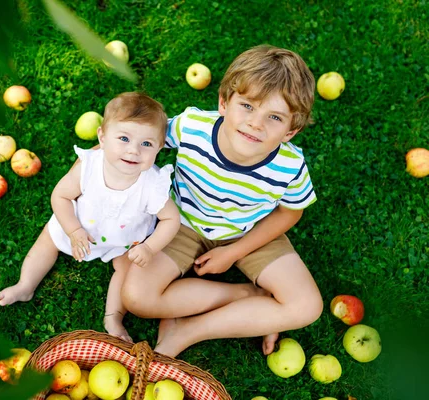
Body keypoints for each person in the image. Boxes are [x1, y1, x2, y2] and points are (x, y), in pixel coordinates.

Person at [119, 45, 324, 357]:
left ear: (290, 131)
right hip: (183, 222)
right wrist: (103, 158)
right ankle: (248, 296)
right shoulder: (193, 128)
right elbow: (148, 138)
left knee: (307, 306)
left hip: (248, 230)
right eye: (247, 106)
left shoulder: (289, 166)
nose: (256, 124)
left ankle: (189, 330)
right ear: (224, 103)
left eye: (274, 117)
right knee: (137, 298)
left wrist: (234, 252)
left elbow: (289, 212)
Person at [0, 92, 181, 342]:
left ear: (159, 148)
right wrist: (73, 230)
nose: (133, 150)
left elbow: (171, 220)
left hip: (124, 241)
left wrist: (149, 248)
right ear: (102, 138)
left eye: (146, 144)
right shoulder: (89, 166)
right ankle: (25, 285)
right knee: (48, 240)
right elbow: (60, 196)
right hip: (81, 224)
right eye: (123, 138)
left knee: (126, 269)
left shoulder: (151, 184)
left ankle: (112, 318)